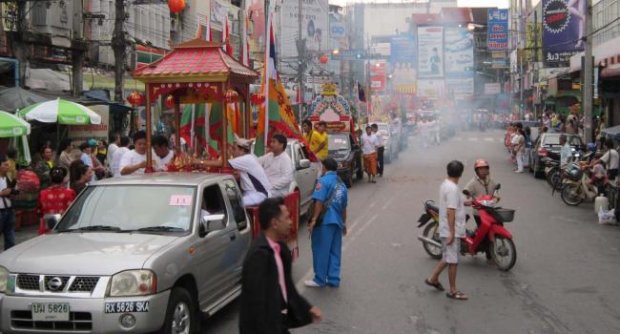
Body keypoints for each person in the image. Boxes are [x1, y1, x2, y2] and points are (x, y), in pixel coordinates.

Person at [239, 197, 321, 334]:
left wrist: (307, 308)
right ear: (275, 223)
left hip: (277, 321)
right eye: (287, 218)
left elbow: (287, 287)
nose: (291, 222)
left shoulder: (281, 249)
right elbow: (255, 305)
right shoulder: (258, 256)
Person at [425, 160, 468, 300]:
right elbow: (451, 210)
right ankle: (453, 290)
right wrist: (451, 232)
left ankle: (433, 278)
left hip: (448, 228)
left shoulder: (447, 184)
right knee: (453, 261)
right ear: (461, 173)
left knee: (448, 257)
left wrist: (469, 202)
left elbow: (455, 202)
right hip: (451, 229)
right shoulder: (452, 188)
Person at [306, 157, 348, 288]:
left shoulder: (323, 181)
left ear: (324, 167)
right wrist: (344, 224)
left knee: (321, 250)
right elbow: (344, 207)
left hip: (324, 222)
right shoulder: (342, 184)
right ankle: (334, 279)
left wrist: (313, 220)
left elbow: (318, 202)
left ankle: (319, 279)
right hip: (337, 222)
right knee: (335, 251)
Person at [202, 136, 272, 206]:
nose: (232, 152)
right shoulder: (250, 157)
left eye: (234, 149)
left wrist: (197, 161)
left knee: (230, 204)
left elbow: (222, 163)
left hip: (258, 194)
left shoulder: (246, 159)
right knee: (229, 196)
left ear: (241, 150)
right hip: (254, 193)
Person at [38, 167, 76, 234]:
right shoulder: (70, 193)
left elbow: (39, 212)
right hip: (66, 227)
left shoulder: (43, 193)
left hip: (47, 228)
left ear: (51, 179)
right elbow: (75, 211)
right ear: (63, 179)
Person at [0, 154, 17, 250]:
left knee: (10, 237)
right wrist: (2, 193)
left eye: (8, 165)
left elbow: (15, 190)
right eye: (5, 165)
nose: (8, 167)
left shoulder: (9, 177)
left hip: (9, 209)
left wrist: (12, 191)